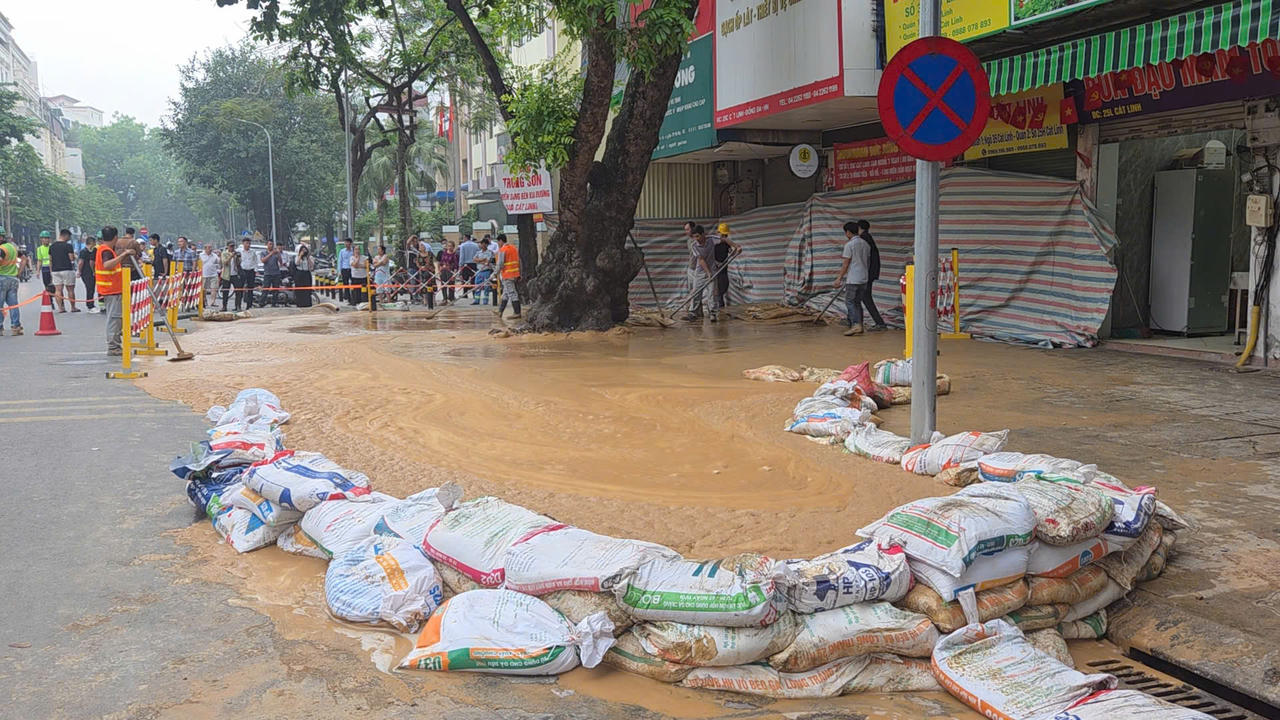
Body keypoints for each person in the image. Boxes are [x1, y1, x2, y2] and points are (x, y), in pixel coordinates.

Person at [96, 226, 136, 355]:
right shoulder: (106, 251)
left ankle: (115, 344)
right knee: (114, 318)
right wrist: (124, 254)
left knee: (116, 318)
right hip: (111, 290)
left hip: (112, 289)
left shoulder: (105, 249)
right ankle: (113, 347)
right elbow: (107, 265)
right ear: (115, 238)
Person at [834, 221, 872, 336]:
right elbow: (868, 262)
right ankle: (858, 324)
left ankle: (856, 324)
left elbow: (846, 264)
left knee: (850, 302)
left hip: (853, 278)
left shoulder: (849, 245)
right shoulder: (866, 244)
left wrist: (839, 278)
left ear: (848, 232)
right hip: (864, 278)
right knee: (857, 302)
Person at [857, 220, 887, 331]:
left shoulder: (863, 240)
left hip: (867, 273)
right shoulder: (868, 238)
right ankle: (855, 320)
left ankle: (880, 323)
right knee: (859, 297)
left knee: (865, 298)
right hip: (870, 273)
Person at [683, 224, 717, 322]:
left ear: (703, 234)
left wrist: (736, 246)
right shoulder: (694, 244)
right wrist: (708, 272)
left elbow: (724, 240)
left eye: (697, 236)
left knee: (711, 293)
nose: (696, 238)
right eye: (694, 237)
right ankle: (693, 313)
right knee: (696, 292)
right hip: (700, 271)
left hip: (712, 270)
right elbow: (701, 260)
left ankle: (713, 313)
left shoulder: (711, 240)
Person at [711, 222, 741, 315]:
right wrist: (717, 263)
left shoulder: (726, 242)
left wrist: (733, 251)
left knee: (724, 286)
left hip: (724, 268)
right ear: (718, 233)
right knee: (717, 289)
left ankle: (720, 307)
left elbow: (730, 250)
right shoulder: (714, 242)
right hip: (715, 268)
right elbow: (710, 256)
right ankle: (718, 308)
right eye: (723, 234)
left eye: (725, 234)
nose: (724, 236)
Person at [49, 229, 79, 312]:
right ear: (65, 235)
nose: (69, 239)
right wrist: (75, 256)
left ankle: (60, 308)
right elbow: (71, 258)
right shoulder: (68, 246)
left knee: (58, 290)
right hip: (67, 269)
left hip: (55, 270)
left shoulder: (52, 246)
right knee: (70, 289)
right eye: (69, 237)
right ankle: (73, 307)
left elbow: (50, 260)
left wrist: (51, 271)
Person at [0, 226, 21, 335]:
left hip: (2, 278)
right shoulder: (12, 247)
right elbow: (24, 258)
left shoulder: (1, 249)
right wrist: (19, 273)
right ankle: (16, 326)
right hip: (13, 278)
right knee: (13, 304)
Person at [495, 234, 521, 319]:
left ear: (501, 241)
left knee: (512, 293)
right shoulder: (514, 248)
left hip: (507, 275)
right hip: (515, 274)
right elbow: (519, 261)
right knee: (505, 294)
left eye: (498, 242)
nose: (498, 244)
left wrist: (495, 273)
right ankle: (500, 311)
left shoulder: (503, 249)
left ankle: (517, 312)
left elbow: (500, 264)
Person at [237, 237, 259, 309]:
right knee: (240, 288)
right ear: (243, 243)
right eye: (247, 243)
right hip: (242, 271)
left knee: (250, 289)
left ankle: (249, 306)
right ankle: (238, 305)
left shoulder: (253, 252)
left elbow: (255, 261)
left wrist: (256, 270)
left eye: (249, 243)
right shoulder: (239, 251)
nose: (248, 245)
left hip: (251, 271)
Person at [78, 235, 98, 313]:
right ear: (91, 243)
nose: (95, 244)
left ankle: (91, 304)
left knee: (91, 289)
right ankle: (90, 305)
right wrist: (79, 271)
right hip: (86, 273)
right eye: (94, 243)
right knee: (89, 288)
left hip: (91, 273)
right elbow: (80, 262)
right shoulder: (84, 251)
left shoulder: (91, 251)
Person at [261, 240, 284, 307]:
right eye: (270, 244)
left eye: (272, 244)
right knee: (266, 288)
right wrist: (271, 254)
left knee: (276, 289)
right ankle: (262, 302)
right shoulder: (263, 252)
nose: (271, 246)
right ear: (267, 245)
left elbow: (281, 262)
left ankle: (274, 303)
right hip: (267, 273)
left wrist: (278, 254)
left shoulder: (276, 253)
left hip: (276, 273)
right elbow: (263, 260)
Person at [472, 237, 495, 306]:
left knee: (486, 286)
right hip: (479, 271)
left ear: (487, 245)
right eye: (482, 244)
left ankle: (485, 301)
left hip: (486, 271)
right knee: (477, 285)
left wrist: (479, 260)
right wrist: (482, 260)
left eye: (485, 244)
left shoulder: (490, 252)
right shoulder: (478, 252)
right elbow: (474, 259)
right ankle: (476, 300)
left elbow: (487, 262)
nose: (483, 245)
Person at [292, 243, 314, 308]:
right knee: (299, 290)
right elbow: (297, 263)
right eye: (302, 250)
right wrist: (300, 255)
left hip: (306, 274)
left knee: (307, 290)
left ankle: (307, 303)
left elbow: (311, 266)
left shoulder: (309, 257)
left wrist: (308, 258)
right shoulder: (297, 257)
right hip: (299, 274)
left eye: (305, 250)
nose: (304, 252)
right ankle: (300, 303)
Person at [415, 243, 436, 310]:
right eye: (420, 246)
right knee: (424, 286)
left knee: (431, 285)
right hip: (422, 272)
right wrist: (421, 267)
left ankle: (433, 300)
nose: (421, 247)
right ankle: (425, 300)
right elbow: (417, 263)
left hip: (430, 271)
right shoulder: (418, 255)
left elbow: (432, 261)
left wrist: (427, 267)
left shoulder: (430, 253)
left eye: (422, 246)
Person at [199, 243, 220, 308]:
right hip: (204, 274)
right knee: (203, 289)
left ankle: (213, 301)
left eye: (211, 247)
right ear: (205, 248)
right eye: (209, 248)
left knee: (214, 288)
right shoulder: (200, 255)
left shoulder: (214, 255)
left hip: (213, 274)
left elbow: (218, 263)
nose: (210, 249)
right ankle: (204, 300)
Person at [457, 233, 479, 298]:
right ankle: (474, 293)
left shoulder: (463, 245)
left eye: (464, 238)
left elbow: (462, 256)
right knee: (473, 279)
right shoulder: (476, 245)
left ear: (466, 238)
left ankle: (465, 293)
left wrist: (460, 265)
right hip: (474, 264)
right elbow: (477, 254)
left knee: (465, 280)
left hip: (465, 265)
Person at [220, 241, 239, 311]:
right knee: (225, 291)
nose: (232, 248)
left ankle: (237, 306)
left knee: (238, 291)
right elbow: (224, 262)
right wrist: (231, 256)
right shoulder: (224, 253)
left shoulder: (236, 253)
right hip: (226, 275)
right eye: (231, 246)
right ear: (227, 246)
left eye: (233, 246)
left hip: (235, 274)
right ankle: (224, 306)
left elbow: (239, 263)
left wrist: (236, 257)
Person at [338, 238, 354, 304]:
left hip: (352, 269)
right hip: (344, 269)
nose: (346, 244)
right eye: (345, 243)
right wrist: (339, 271)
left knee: (353, 284)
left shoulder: (353, 251)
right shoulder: (342, 251)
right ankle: (349, 299)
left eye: (347, 242)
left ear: (350, 243)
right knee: (346, 284)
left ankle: (354, 298)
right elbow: (340, 261)